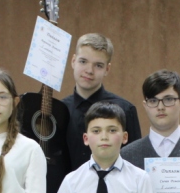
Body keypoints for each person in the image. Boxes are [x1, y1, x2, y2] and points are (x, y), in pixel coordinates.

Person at [61, 33, 143, 170]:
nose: (89, 70)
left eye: (98, 65)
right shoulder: (60, 110)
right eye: (83, 61)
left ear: (107, 69)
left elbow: (134, 162)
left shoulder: (125, 109)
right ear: (73, 61)